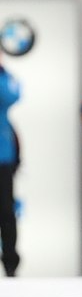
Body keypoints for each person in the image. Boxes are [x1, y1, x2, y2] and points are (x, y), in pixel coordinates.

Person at [0, 58, 21, 276]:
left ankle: (10, 263)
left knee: (6, 211)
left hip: (3, 158)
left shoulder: (4, 77)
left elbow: (12, 94)